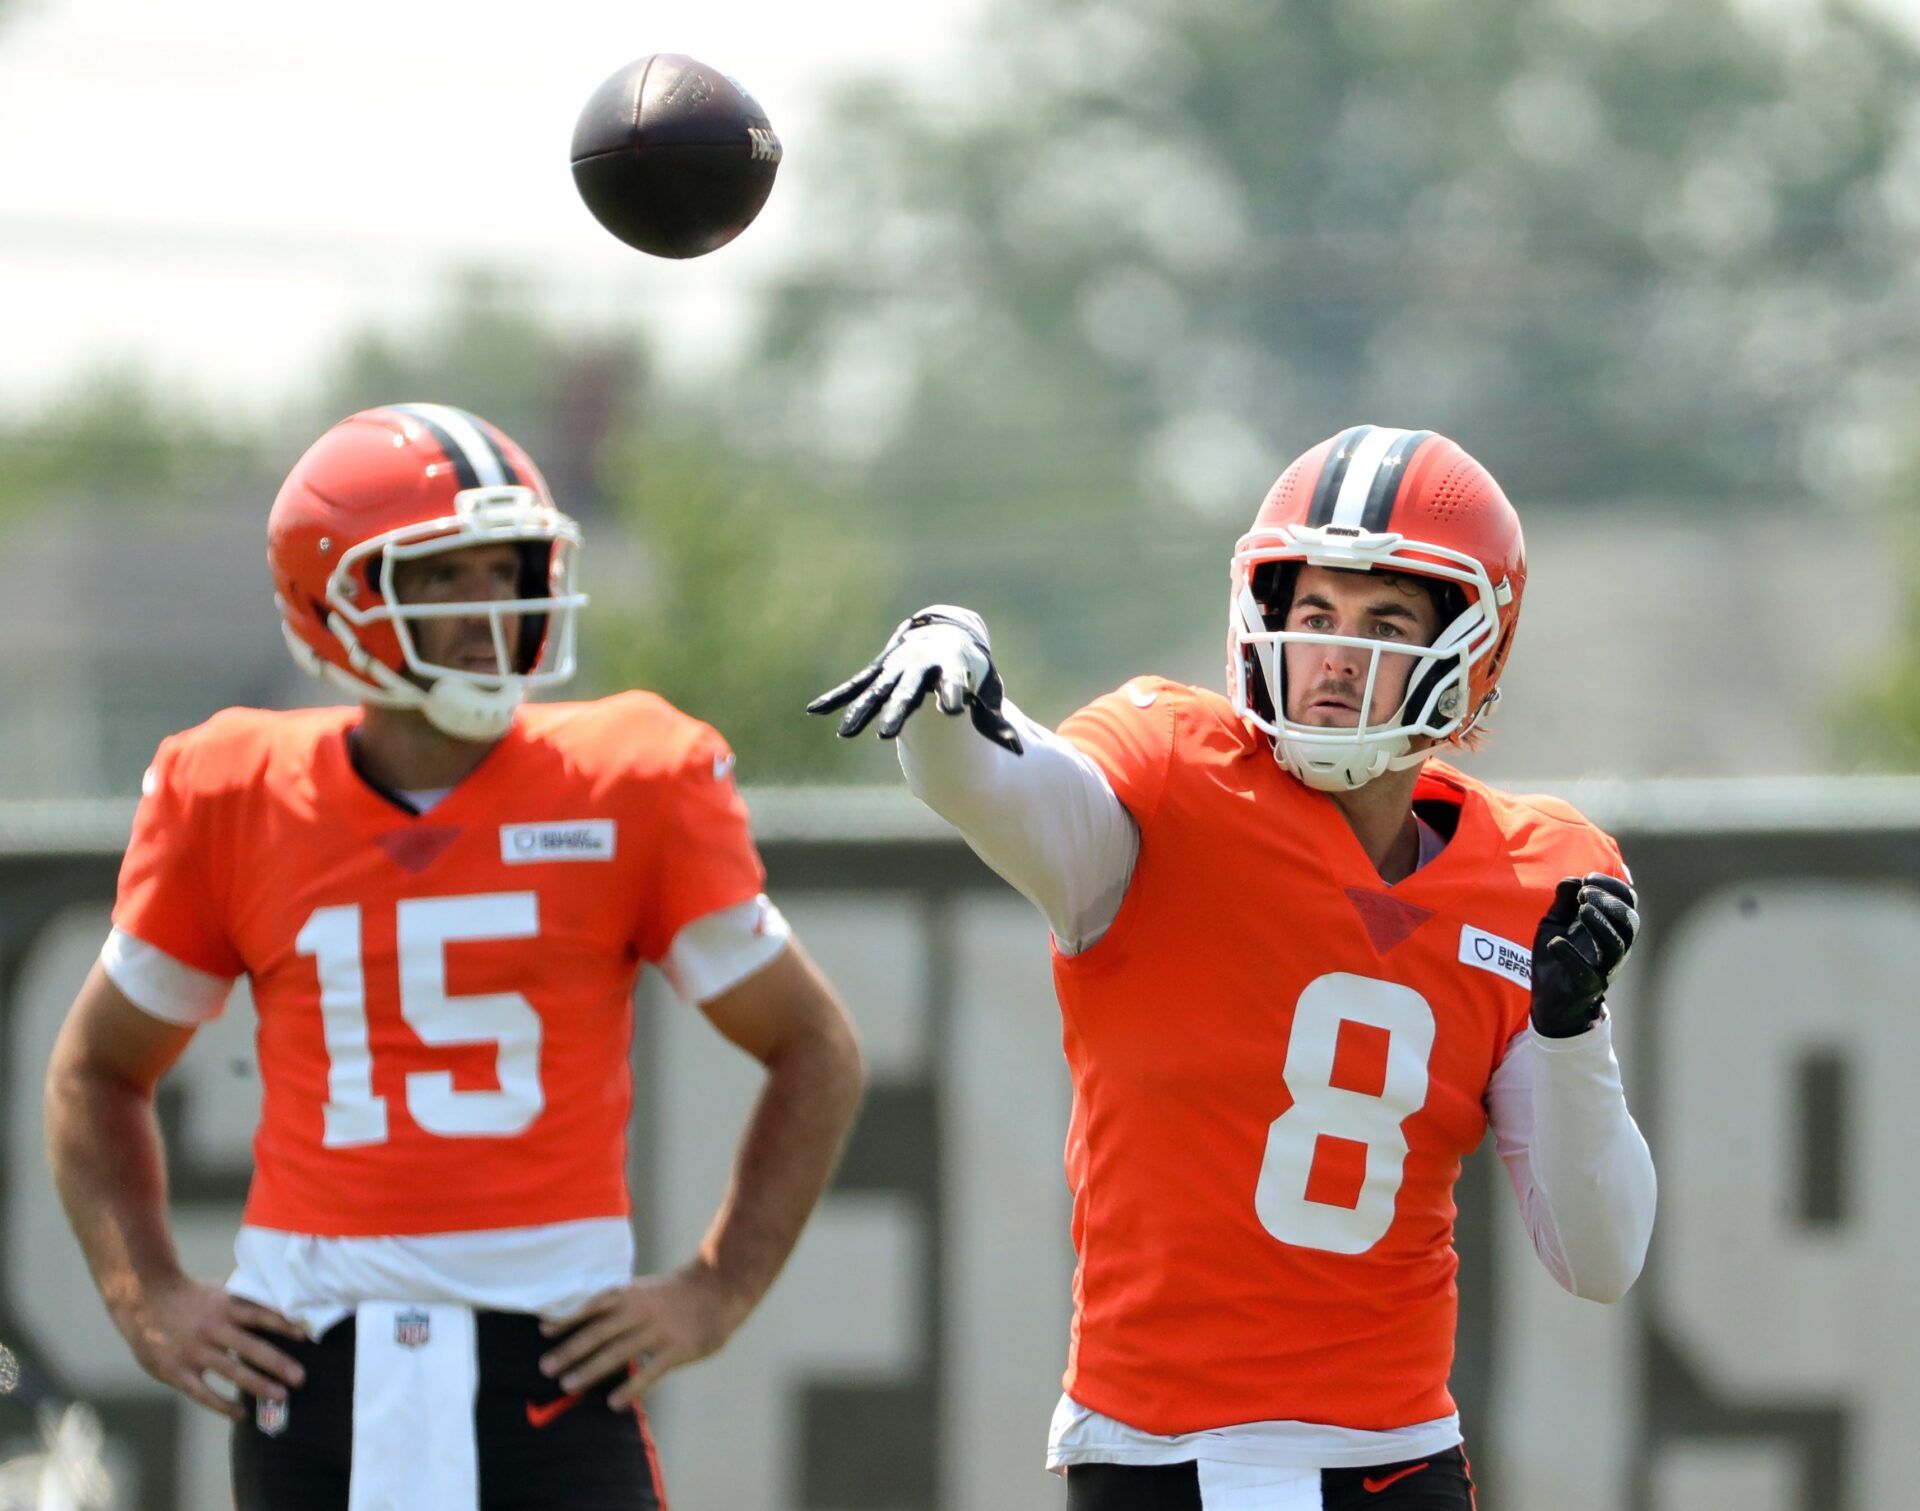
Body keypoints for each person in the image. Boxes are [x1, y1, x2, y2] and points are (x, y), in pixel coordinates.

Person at [811, 425, 1655, 1511]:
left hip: (1394, 1464)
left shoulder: (1538, 871)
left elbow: (1601, 1253)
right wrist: (946, 671)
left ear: (1471, 646)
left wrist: (1571, 1028)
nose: (1338, 654)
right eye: (1314, 615)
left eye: (1386, 621)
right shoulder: (1171, 782)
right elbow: (996, 783)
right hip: (1152, 1460)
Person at [44, 403, 866, 1511]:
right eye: (444, 576)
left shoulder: (629, 781)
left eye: (508, 566)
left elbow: (813, 1044)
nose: (496, 607)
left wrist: (718, 1286)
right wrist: (144, 1292)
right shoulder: (234, 794)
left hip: (554, 1359)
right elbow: (96, 1069)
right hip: (311, 1356)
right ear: (333, 599)